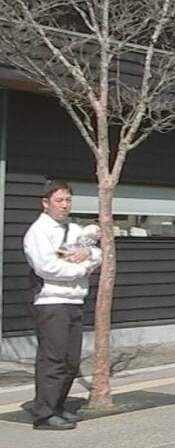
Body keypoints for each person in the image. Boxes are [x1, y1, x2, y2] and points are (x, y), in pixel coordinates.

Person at [22, 179, 100, 431]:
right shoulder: (38, 231)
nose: (64, 205)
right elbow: (46, 267)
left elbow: (97, 251)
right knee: (53, 358)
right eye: (59, 200)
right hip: (51, 301)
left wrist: (88, 255)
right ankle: (44, 414)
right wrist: (81, 268)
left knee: (71, 360)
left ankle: (57, 405)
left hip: (75, 300)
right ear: (45, 203)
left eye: (68, 200)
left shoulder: (74, 228)